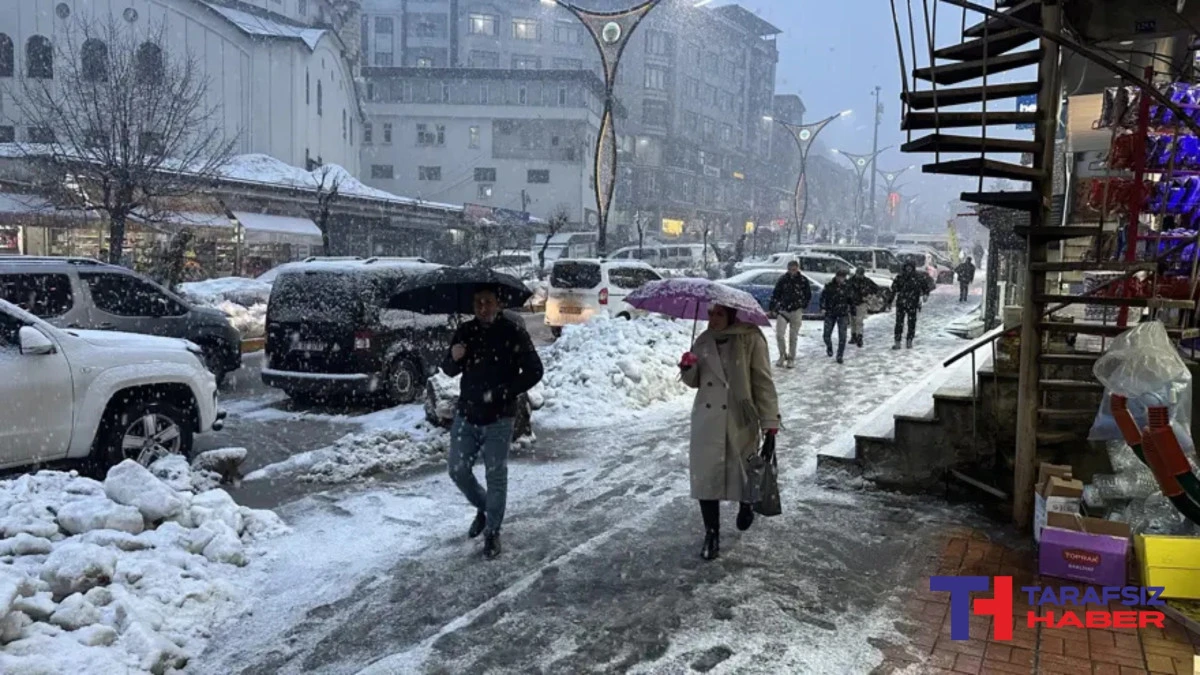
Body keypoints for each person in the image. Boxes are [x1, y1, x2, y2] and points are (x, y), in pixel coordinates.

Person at [442, 288, 544, 560]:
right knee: (458, 470)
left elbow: (535, 370)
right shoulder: (465, 331)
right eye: (478, 302)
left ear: (498, 303)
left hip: (500, 417)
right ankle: (485, 507)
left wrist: (506, 391)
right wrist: (454, 357)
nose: (483, 307)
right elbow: (449, 369)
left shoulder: (513, 332)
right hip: (467, 413)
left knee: (495, 475)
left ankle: (492, 531)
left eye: (488, 302)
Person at [678, 304, 780, 561]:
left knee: (743, 473)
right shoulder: (702, 340)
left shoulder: (751, 338)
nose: (712, 319)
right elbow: (695, 382)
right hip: (707, 420)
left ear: (732, 315)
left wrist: (770, 422)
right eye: (710, 314)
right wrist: (688, 367)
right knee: (706, 478)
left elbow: (762, 381)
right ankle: (711, 533)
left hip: (739, 419)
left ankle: (746, 506)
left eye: (719, 314)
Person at [767, 260, 812, 369]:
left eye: (794, 269)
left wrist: (803, 304)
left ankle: (791, 358)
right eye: (791, 269)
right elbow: (776, 294)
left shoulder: (803, 280)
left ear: (797, 269)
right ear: (788, 269)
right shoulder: (783, 280)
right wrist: (772, 308)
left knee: (793, 336)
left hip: (796, 310)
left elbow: (808, 294)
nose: (792, 272)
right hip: (783, 310)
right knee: (779, 335)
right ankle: (782, 355)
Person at [819, 269, 855, 364]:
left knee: (842, 336)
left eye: (843, 278)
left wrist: (853, 311)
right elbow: (823, 297)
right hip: (830, 313)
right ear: (836, 277)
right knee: (826, 335)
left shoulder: (847, 287)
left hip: (842, 313)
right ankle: (829, 347)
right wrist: (823, 307)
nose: (841, 279)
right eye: (839, 277)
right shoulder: (829, 287)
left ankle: (840, 355)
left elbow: (851, 300)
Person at [891, 261, 928, 350]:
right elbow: (894, 288)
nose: (908, 269)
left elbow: (925, 287)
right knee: (899, 323)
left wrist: (925, 294)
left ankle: (909, 340)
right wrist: (891, 299)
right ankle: (898, 341)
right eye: (907, 267)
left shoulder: (917, 277)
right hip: (902, 303)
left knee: (911, 323)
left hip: (913, 303)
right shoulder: (900, 277)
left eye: (910, 267)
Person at [846, 267, 878, 348]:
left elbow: (876, 288)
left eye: (861, 274)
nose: (859, 276)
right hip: (852, 303)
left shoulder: (866, 281)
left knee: (859, 320)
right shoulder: (850, 281)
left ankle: (859, 337)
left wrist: (868, 295)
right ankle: (853, 336)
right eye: (858, 274)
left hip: (861, 302)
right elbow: (846, 290)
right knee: (853, 320)